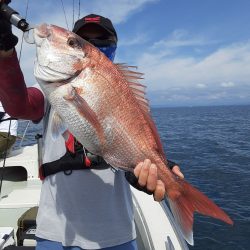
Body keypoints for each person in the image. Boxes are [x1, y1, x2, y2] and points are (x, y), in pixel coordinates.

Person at [0, 3, 184, 249]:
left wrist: (145, 173)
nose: (95, 44)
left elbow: (133, 144)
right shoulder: (49, 94)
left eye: (102, 40)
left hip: (116, 232)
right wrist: (5, 52)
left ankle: (183, 200)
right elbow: (19, 105)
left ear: (114, 47)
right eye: (82, 40)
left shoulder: (124, 96)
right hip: (54, 231)